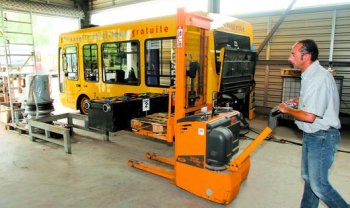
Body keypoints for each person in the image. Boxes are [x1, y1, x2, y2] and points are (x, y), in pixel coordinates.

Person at [277, 39, 349, 208]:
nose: (290, 58)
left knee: (319, 186)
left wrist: (286, 110)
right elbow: (313, 100)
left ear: (306, 56)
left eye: (293, 54)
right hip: (313, 135)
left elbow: (309, 116)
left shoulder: (318, 78)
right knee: (309, 180)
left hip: (322, 137)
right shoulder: (311, 74)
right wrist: (297, 101)